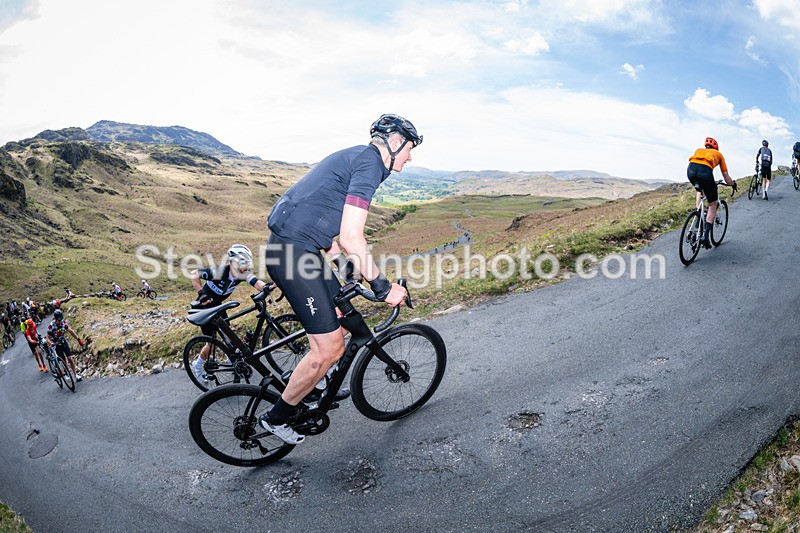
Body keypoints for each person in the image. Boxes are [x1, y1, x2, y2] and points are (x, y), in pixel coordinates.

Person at [258, 114, 420, 444]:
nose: (410, 156)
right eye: (409, 148)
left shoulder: (354, 157)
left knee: (345, 319)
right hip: (292, 256)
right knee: (328, 349)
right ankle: (276, 418)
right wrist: (383, 287)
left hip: (296, 250)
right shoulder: (370, 165)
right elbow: (351, 237)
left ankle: (315, 385)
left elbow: (329, 233)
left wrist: (347, 271)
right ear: (394, 143)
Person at [188, 244, 271, 381]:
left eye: (247, 263)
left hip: (218, 308)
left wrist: (267, 286)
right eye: (243, 263)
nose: (246, 267)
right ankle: (197, 366)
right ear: (233, 262)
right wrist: (201, 294)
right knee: (212, 343)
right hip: (205, 309)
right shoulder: (220, 271)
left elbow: (256, 283)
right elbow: (194, 274)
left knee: (230, 337)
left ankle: (232, 362)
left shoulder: (241, 274)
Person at [687, 137, 737, 248]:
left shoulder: (699, 150)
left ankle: (699, 213)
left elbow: (697, 165)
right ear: (716, 148)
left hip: (690, 171)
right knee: (713, 204)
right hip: (705, 172)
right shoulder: (719, 155)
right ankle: (705, 237)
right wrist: (732, 184)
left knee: (700, 189)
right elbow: (726, 177)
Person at [46, 309, 84, 381]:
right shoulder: (51, 325)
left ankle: (75, 375)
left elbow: (70, 331)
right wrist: (50, 343)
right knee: (63, 360)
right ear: (55, 319)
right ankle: (65, 372)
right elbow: (47, 337)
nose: (60, 322)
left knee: (70, 358)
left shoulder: (63, 323)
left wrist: (78, 339)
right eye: (58, 320)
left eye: (61, 320)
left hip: (63, 342)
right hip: (56, 344)